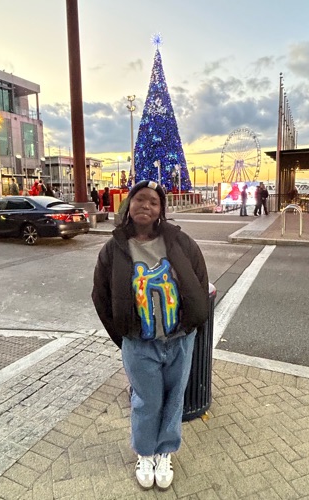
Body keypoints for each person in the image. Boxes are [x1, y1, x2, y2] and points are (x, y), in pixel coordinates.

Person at [92, 180, 209, 490]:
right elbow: (100, 295)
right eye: (139, 199)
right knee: (146, 400)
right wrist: (123, 335)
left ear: (161, 210)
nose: (146, 205)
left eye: (153, 202)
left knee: (174, 399)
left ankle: (165, 451)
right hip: (139, 343)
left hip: (179, 339)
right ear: (128, 205)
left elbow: (199, 280)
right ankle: (145, 453)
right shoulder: (114, 249)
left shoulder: (180, 242)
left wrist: (193, 322)